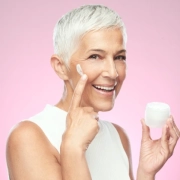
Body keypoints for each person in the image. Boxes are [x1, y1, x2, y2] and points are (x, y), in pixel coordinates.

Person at [6, 5, 179, 180]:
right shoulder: (28, 137)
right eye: (95, 56)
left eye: (119, 57)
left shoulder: (118, 136)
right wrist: (72, 150)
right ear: (61, 67)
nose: (112, 73)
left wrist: (146, 173)